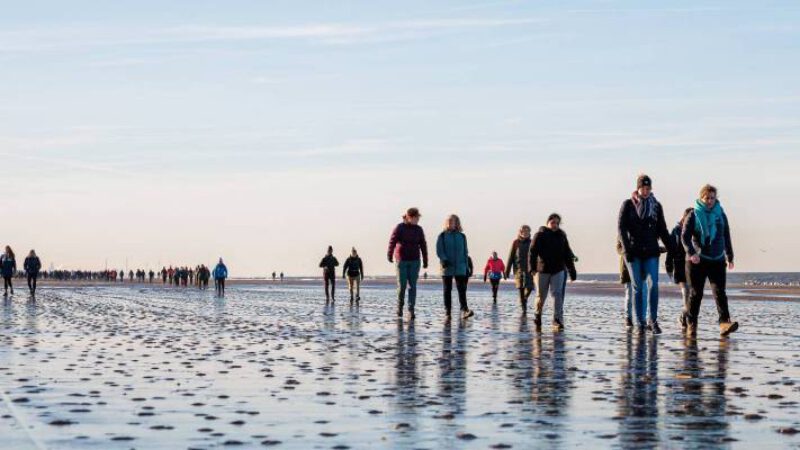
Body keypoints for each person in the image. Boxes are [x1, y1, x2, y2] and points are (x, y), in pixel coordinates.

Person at [618, 174, 673, 334]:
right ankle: (640, 322)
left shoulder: (656, 206)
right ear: (638, 188)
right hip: (633, 253)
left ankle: (653, 320)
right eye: (643, 188)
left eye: (648, 188)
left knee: (653, 285)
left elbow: (662, 229)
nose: (646, 191)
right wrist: (626, 249)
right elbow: (621, 228)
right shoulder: (628, 205)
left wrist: (673, 248)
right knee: (637, 288)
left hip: (651, 252)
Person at [681, 185, 738, 337]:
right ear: (701, 198)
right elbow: (684, 237)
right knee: (695, 293)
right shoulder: (693, 214)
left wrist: (730, 256)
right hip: (697, 260)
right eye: (707, 198)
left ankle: (724, 323)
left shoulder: (721, 214)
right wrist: (692, 253)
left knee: (720, 292)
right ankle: (691, 325)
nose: (710, 201)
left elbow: (726, 235)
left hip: (717, 260)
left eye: (712, 198)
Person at [530, 214, 577, 331]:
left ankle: (557, 319)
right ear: (548, 223)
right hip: (542, 270)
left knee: (557, 294)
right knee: (541, 296)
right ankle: (537, 314)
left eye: (557, 223)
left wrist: (572, 271)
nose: (555, 225)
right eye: (552, 222)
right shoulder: (539, 235)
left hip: (558, 270)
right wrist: (532, 268)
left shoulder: (562, 236)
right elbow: (532, 252)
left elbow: (567, 254)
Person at [388, 207, 428, 320]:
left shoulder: (419, 229)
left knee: (413, 286)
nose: (417, 220)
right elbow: (392, 241)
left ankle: (411, 310)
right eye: (416, 218)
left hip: (415, 260)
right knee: (402, 286)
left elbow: (423, 245)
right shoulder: (400, 227)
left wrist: (425, 260)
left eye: (418, 218)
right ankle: (400, 306)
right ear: (409, 217)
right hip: (402, 260)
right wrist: (389, 254)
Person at [436, 214, 474, 321]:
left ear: (457, 223)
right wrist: (444, 259)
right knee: (447, 290)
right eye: (449, 222)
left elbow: (465, 252)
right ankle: (447, 312)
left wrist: (467, 267)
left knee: (462, 289)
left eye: (453, 222)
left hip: (461, 267)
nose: (451, 224)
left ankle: (464, 310)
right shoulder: (442, 236)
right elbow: (439, 250)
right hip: (447, 267)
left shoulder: (462, 236)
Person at [668, 208, 694, 332]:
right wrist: (669, 265)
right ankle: (685, 319)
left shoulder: (696, 230)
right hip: (680, 266)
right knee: (686, 293)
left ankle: (683, 317)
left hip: (694, 267)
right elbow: (671, 249)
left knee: (692, 297)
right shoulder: (676, 231)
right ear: (684, 217)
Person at [504, 225, 534, 313]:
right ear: (520, 232)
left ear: (529, 233)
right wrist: (507, 271)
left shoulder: (532, 242)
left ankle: (524, 300)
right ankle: (524, 309)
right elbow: (511, 257)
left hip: (530, 269)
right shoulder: (515, 242)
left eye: (527, 231)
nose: (525, 233)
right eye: (523, 231)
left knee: (529, 288)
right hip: (518, 270)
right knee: (521, 288)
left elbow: (536, 256)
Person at [616, 239, 634, 330]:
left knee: (643, 294)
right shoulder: (623, 228)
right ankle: (628, 318)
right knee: (629, 294)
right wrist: (626, 252)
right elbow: (618, 248)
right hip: (627, 267)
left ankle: (643, 319)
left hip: (640, 265)